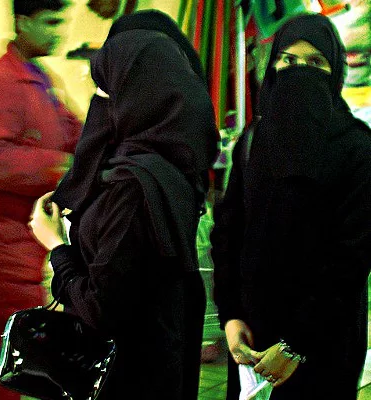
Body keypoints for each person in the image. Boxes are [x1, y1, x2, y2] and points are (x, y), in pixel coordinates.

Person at [30, 10, 219, 399]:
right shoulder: (174, 170)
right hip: (158, 365)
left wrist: (56, 245)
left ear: (136, 100)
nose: (97, 102)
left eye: (105, 91)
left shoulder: (133, 187)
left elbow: (101, 309)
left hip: (125, 375)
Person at [211, 13, 371, 400]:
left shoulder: (358, 147)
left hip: (325, 341)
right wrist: (231, 315)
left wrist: (296, 344)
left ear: (335, 72)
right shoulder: (253, 140)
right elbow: (229, 232)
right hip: (251, 336)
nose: (300, 71)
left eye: (315, 62)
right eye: (288, 60)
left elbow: (350, 259)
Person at [0, 0, 82, 399]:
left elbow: (73, 132)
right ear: (23, 22)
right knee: (12, 328)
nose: (59, 31)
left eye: (62, 21)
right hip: (7, 229)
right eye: (50, 22)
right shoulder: (1, 82)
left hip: (34, 227)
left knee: (24, 328)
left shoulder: (39, 77)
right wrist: (61, 166)